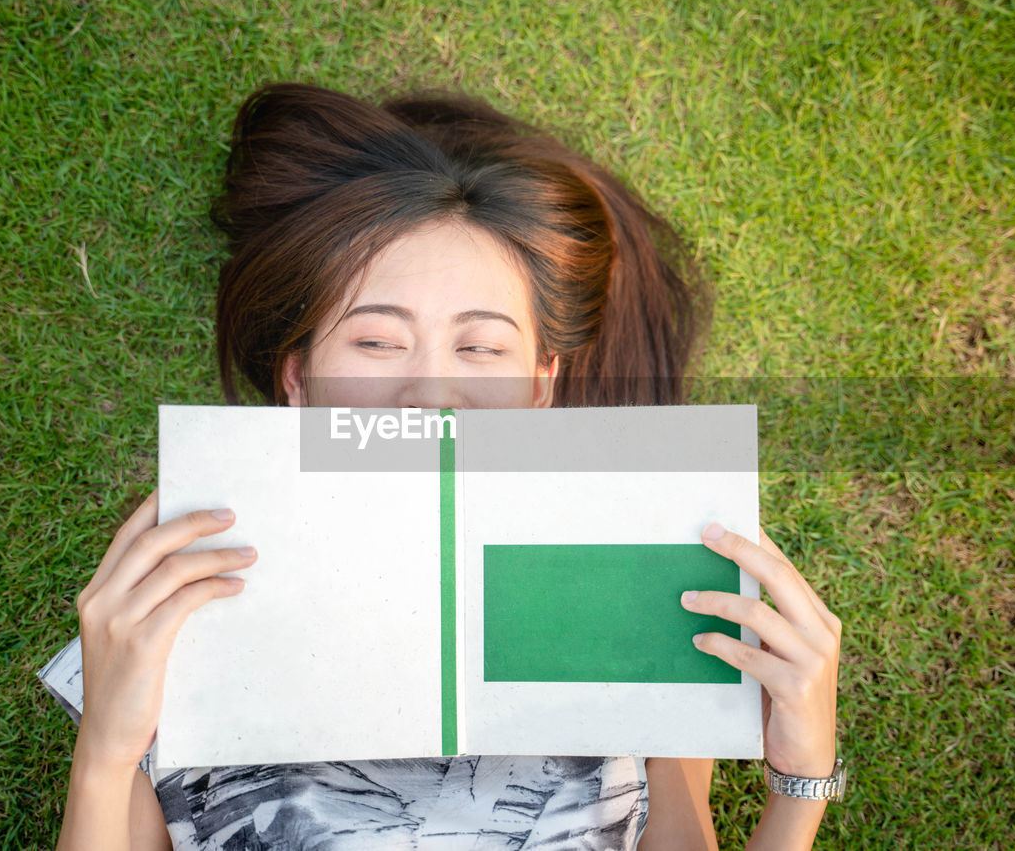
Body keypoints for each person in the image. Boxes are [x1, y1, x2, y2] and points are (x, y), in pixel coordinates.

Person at [43, 82, 842, 850]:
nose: (429, 393)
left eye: (482, 348)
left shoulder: (621, 561)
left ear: (539, 388)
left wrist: (799, 781)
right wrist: (107, 753)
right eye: (378, 341)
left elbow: (680, 831)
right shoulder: (186, 585)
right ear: (297, 379)